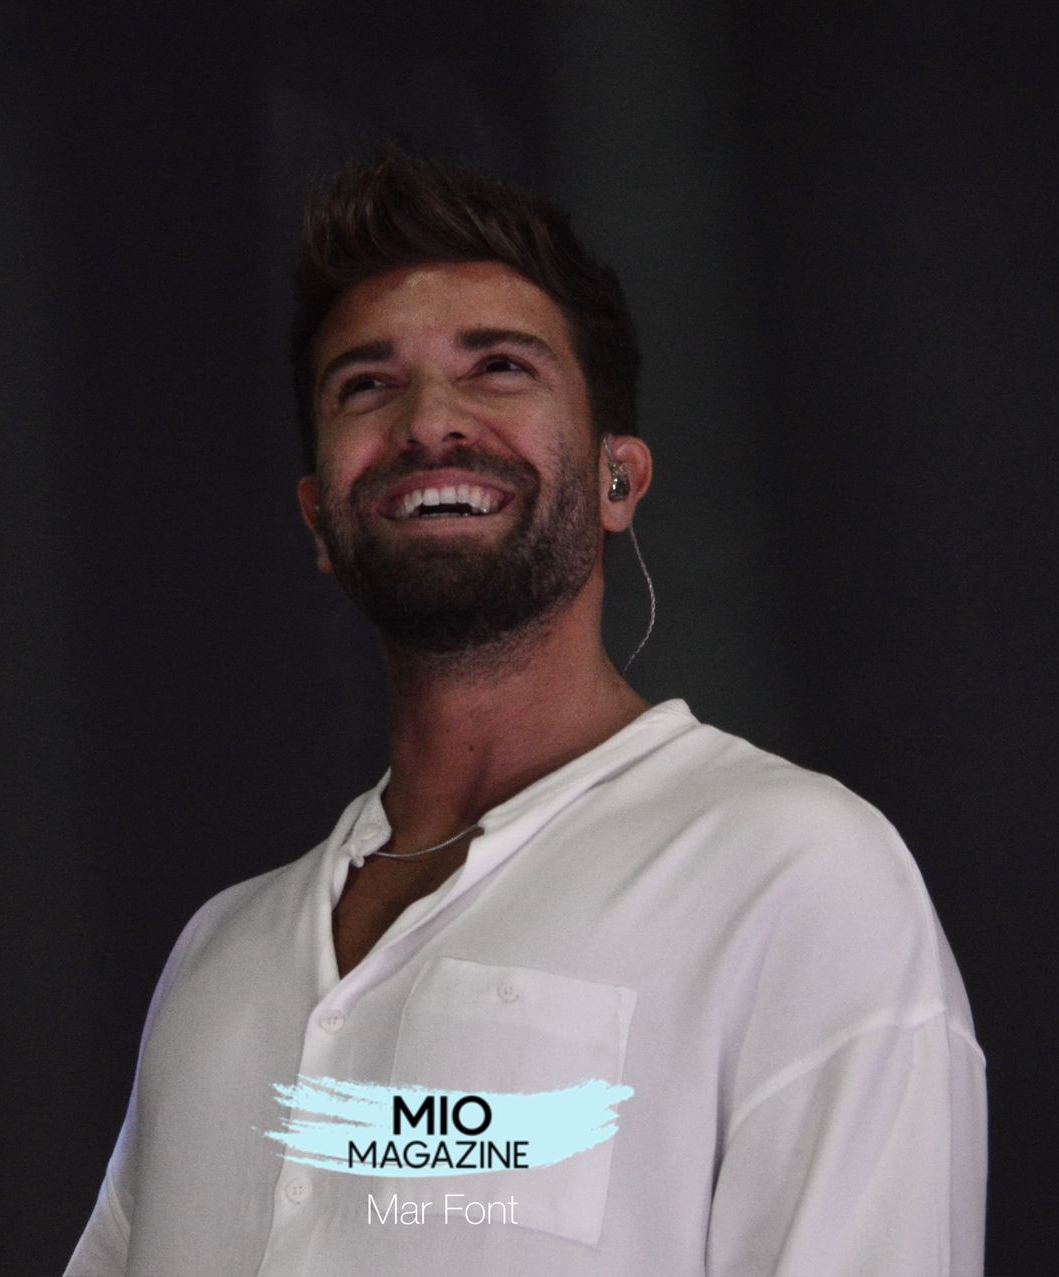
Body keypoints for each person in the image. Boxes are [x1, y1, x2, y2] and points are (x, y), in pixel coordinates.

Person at [66, 150, 986, 1276]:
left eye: (499, 366)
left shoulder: (792, 874)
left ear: (617, 479)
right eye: (366, 384)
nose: (428, 421)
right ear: (318, 518)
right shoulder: (220, 954)